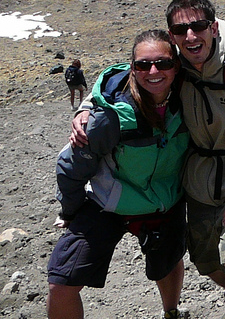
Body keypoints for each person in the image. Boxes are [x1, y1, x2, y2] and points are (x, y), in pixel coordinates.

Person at [72, 0, 225, 319]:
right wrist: (86, 109)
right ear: (172, 36)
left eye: (198, 26)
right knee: (206, 262)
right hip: (198, 187)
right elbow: (122, 78)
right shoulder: (173, 65)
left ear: (213, 26)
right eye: (181, 30)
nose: (190, 36)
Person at [49, 31, 188, 319]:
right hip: (107, 203)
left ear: (176, 66)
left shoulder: (191, 100)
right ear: (131, 68)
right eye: (142, 65)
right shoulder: (111, 117)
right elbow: (70, 166)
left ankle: (171, 312)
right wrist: (72, 213)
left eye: (162, 64)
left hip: (165, 201)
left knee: (167, 262)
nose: (153, 72)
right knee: (62, 280)